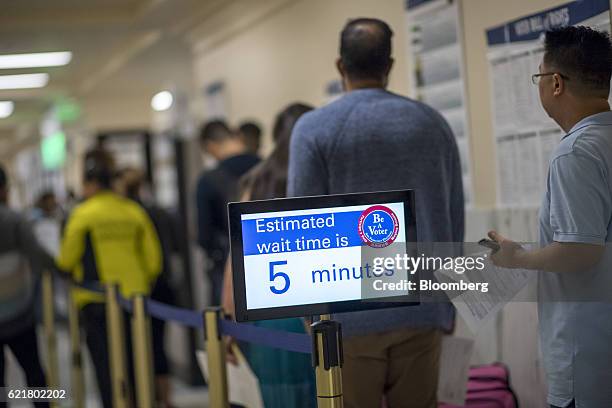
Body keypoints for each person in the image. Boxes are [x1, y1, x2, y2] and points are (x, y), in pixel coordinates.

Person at [288, 18, 464, 408]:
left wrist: (310, 318)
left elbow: (299, 224)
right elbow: (453, 216)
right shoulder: (433, 124)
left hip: (347, 318)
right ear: (390, 65)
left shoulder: (314, 129)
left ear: (340, 66)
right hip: (424, 306)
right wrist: (448, 304)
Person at [488, 26, 612, 408]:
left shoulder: (575, 152)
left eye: (539, 76)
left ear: (555, 83)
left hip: (585, 358)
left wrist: (518, 257)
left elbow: (581, 250)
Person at [222, 103, 316, 408]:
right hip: (318, 306)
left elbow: (237, 259)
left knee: (277, 395)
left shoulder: (256, 181)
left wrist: (228, 318)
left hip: (269, 307)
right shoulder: (321, 175)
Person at [57, 149, 162, 408]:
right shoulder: (133, 211)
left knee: (106, 368)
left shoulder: (82, 214)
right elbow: (153, 260)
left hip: (96, 299)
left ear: (90, 184)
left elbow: (67, 259)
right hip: (135, 299)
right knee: (137, 362)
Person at [117, 168, 179, 408]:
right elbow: (171, 247)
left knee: (130, 348)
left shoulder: (126, 214)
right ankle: (166, 399)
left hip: (136, 289)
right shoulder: (159, 212)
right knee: (157, 345)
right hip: (161, 286)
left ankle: (136, 399)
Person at [0, 164, 53, 408]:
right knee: (35, 374)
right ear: (4, 190)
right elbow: (38, 257)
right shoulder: (14, 220)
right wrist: (64, 270)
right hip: (19, 314)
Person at [196, 120, 259, 306]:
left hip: (229, 270)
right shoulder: (267, 168)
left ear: (210, 146)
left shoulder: (208, 181)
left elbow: (204, 236)